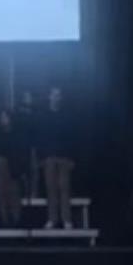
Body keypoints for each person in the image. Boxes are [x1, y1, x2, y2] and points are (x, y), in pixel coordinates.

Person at [38, 85, 75, 229]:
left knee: (64, 188)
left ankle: (66, 220)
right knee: (51, 189)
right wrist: (42, 158)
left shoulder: (67, 116)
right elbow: (40, 138)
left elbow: (72, 138)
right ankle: (52, 219)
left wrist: (72, 158)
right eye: (54, 94)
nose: (56, 97)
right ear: (49, 96)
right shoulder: (44, 116)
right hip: (49, 158)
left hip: (64, 157)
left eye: (58, 95)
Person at [0, 110, 23, 228]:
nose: (3, 119)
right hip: (1, 164)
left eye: (5, 117)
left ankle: (16, 220)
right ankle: (5, 221)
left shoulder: (16, 133)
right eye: (1, 117)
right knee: (2, 193)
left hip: (13, 165)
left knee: (14, 194)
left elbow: (18, 151)